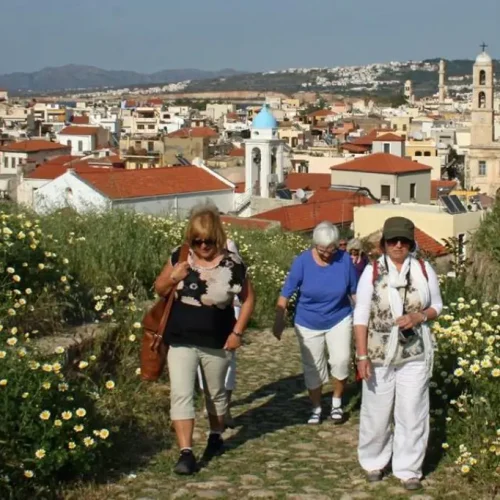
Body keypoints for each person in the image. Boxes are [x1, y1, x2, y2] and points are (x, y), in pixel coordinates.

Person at [154, 203, 255, 475]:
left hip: (217, 341)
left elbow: (248, 300)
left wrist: (237, 333)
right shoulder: (180, 256)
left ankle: (215, 433)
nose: (202, 246)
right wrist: (174, 277)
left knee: (215, 394)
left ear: (218, 237)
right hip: (181, 338)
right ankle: (186, 453)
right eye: (196, 241)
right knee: (181, 393)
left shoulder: (234, 264)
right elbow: (159, 288)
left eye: (208, 241)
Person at [353, 217, 443, 491]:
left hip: (415, 352)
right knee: (376, 412)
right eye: (393, 240)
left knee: (412, 411)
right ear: (383, 244)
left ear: (411, 244)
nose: (398, 245)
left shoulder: (424, 270)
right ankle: (374, 462)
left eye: (404, 241)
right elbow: (360, 316)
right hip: (378, 353)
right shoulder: (371, 273)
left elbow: (438, 306)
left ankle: (408, 469)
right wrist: (361, 356)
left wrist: (419, 316)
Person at [273, 221, 358, 424]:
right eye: (322, 250)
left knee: (341, 360)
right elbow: (286, 293)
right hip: (308, 322)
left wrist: (362, 320)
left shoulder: (344, 260)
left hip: (339, 317)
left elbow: (353, 292)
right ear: (314, 245)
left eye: (331, 249)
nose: (327, 254)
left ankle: (336, 402)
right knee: (314, 367)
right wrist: (279, 320)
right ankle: (317, 407)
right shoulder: (302, 262)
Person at [198, 237, 240, 428]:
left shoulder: (229, 245)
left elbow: (239, 280)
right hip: (201, 307)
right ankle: (208, 404)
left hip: (229, 306)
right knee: (201, 356)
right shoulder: (195, 246)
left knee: (228, 359)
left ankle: (226, 407)